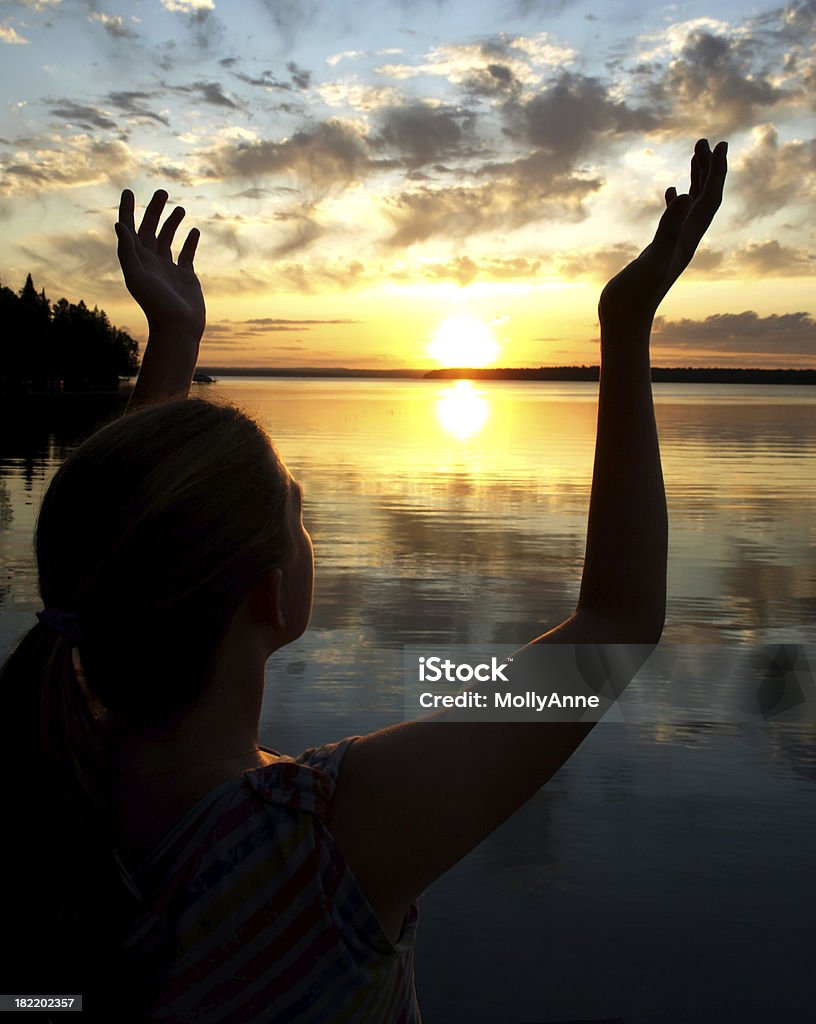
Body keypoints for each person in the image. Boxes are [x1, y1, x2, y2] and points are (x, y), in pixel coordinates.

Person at [0, 138, 727, 1022]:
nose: (311, 532)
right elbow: (614, 626)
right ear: (268, 595)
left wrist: (175, 347)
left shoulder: (56, 803)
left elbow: (129, 548)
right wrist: (627, 321)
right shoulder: (321, 843)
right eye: (298, 514)